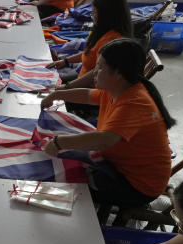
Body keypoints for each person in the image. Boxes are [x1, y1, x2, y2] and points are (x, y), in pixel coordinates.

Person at [41, 38, 174, 208]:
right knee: (65, 164)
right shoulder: (118, 90)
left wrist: (59, 143)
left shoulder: (135, 102)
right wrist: (56, 94)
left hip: (137, 186)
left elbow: (104, 140)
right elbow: (88, 95)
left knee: (66, 182)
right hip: (120, 166)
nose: (94, 72)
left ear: (118, 73)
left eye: (100, 67)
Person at [48, 0, 132, 85]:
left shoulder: (113, 41)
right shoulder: (102, 32)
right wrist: (65, 61)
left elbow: (95, 74)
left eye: (95, 13)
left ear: (108, 16)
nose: (93, 17)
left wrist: (67, 87)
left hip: (87, 86)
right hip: (81, 81)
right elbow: (89, 53)